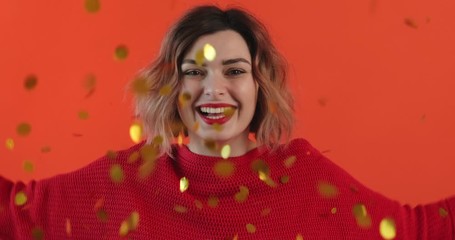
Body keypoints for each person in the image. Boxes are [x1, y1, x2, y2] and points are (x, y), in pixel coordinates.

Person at [1, 5, 454, 240]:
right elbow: (16, 214)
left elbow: (421, 231)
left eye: (234, 71)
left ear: (261, 86)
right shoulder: (125, 181)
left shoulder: (306, 180)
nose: (213, 89)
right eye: (194, 72)